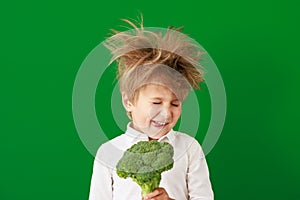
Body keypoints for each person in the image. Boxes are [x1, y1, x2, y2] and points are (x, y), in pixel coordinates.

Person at [88, 17, 214, 200]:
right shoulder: (108, 152)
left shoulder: (189, 148)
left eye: (175, 103)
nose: (166, 112)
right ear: (128, 101)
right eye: (156, 102)